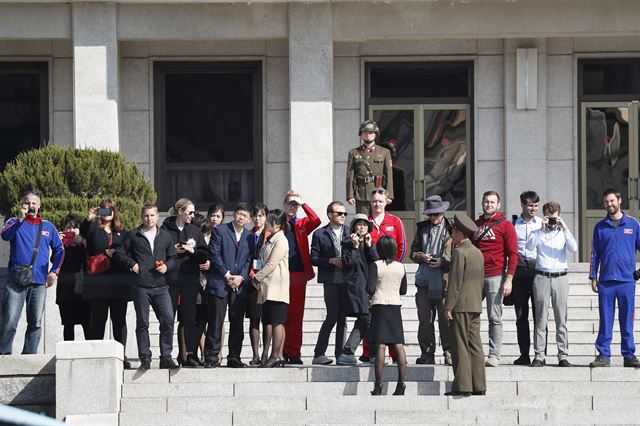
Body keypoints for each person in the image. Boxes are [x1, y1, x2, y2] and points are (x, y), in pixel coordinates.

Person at [115, 203, 177, 370]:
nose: (149, 218)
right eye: (146, 216)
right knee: (142, 323)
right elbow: (119, 253)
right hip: (141, 286)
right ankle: (145, 358)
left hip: (162, 285)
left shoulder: (165, 236)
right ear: (141, 217)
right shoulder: (133, 235)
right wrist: (132, 264)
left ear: (158, 216)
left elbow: (173, 257)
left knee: (168, 320)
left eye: (152, 215)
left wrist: (167, 267)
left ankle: (166, 357)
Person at [0, 190, 64, 355]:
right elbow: (5, 236)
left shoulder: (48, 226)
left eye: (34, 203)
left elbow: (59, 250)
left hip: (39, 282)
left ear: (39, 205)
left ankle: (29, 356)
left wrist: (54, 271)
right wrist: (20, 220)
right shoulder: (14, 222)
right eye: (27, 203)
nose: (31, 206)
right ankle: (3, 354)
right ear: (22, 204)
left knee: (35, 322)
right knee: (10, 321)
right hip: (16, 280)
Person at [588, 188, 640, 368]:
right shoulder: (600, 227)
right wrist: (593, 276)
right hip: (606, 281)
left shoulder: (633, 224)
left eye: (612, 201)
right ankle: (603, 355)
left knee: (627, 320)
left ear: (619, 200)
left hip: (627, 281)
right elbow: (594, 253)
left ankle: (629, 355)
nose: (609, 204)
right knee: (606, 319)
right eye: (606, 202)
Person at [526, 201, 577, 367]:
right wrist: (541, 229)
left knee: (561, 319)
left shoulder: (563, 233)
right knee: (540, 318)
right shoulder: (537, 232)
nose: (552, 222)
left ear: (559, 216)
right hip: (541, 277)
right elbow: (530, 246)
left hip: (560, 277)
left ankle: (563, 355)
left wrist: (565, 228)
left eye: (554, 218)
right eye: (549, 217)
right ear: (544, 216)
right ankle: (539, 355)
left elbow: (574, 248)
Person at [80, 199, 131, 367]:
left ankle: (122, 356)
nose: (106, 213)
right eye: (103, 210)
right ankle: (96, 356)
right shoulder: (94, 228)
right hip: (98, 281)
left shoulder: (122, 232)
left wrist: (116, 253)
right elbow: (84, 232)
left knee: (119, 320)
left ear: (114, 212)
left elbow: (129, 252)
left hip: (117, 281)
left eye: (109, 210)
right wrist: (90, 218)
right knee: (98, 319)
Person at [161, 198, 209, 368]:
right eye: (189, 212)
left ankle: (190, 354)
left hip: (190, 280)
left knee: (189, 318)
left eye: (194, 212)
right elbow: (158, 252)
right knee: (168, 318)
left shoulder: (194, 230)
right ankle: (165, 355)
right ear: (180, 211)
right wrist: (172, 250)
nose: (192, 215)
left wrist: (193, 251)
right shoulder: (165, 229)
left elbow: (204, 255)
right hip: (171, 280)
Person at [361, 187, 406, 362]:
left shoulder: (395, 221)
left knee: (391, 315)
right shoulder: (365, 221)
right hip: (371, 274)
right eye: (374, 201)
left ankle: (395, 354)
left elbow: (402, 245)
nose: (377, 204)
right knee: (369, 315)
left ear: (386, 201)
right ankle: (369, 352)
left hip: (390, 276)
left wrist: (395, 267)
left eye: (380, 201)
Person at [474, 190, 518, 367]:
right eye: (486, 202)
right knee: (471, 315)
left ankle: (494, 355)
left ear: (498, 205)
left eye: (492, 202)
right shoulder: (475, 224)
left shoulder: (506, 225)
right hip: (474, 277)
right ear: (482, 203)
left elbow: (513, 254)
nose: (489, 205)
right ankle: (473, 352)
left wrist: (509, 279)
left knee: (494, 317)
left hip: (495, 275)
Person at [444, 213, 486, 397]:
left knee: (460, 344)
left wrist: (448, 306)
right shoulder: (477, 252)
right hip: (475, 304)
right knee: (475, 345)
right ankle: (479, 385)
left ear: (460, 233)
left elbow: (455, 282)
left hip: (460, 305)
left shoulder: (459, 252)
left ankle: (462, 385)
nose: (452, 235)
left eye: (454, 231)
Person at [206, 203, 252, 368]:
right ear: (234, 214)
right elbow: (214, 254)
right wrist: (227, 275)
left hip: (239, 286)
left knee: (237, 322)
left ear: (248, 220)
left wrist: (241, 277)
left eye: (244, 215)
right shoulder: (220, 230)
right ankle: (211, 357)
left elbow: (249, 260)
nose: (241, 217)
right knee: (216, 322)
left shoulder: (249, 236)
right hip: (220, 282)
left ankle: (234, 357)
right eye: (239, 213)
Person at [410, 195, 453, 365]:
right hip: (424, 281)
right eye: (431, 214)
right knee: (425, 321)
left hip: (444, 281)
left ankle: (449, 352)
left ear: (442, 212)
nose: (434, 217)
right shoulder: (422, 228)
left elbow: (458, 254)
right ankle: (427, 353)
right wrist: (422, 257)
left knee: (446, 321)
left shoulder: (452, 228)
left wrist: (443, 261)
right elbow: (412, 253)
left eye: (437, 214)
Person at [282, 190, 321, 364]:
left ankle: (294, 352)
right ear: (284, 205)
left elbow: (316, 220)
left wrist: (303, 203)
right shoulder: (278, 222)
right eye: (290, 203)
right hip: (280, 274)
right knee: (281, 315)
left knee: (296, 316)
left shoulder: (302, 223)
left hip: (298, 274)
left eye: (295, 205)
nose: (292, 207)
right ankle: (282, 351)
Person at [310, 201, 350, 365]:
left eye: (344, 214)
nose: (343, 216)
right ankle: (319, 353)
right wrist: (330, 261)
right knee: (332, 316)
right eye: (339, 213)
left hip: (347, 281)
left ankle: (341, 354)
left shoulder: (349, 231)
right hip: (331, 280)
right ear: (330, 214)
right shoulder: (320, 233)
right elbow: (313, 258)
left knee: (343, 318)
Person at [336, 213, 378, 365]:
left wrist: (369, 245)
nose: (362, 227)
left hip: (368, 285)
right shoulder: (347, 242)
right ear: (354, 226)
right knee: (366, 318)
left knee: (365, 319)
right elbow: (348, 263)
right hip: (356, 287)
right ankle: (367, 354)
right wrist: (354, 246)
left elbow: (376, 261)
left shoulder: (368, 242)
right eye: (359, 224)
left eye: (365, 224)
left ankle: (350, 352)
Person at [368, 236, 407, 396]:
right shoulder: (401, 267)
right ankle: (401, 383)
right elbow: (403, 290)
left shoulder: (376, 265)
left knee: (381, 345)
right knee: (398, 345)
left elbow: (370, 288)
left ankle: (378, 385)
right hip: (395, 305)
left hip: (380, 305)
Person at [252, 209, 289, 368]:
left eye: (269, 221)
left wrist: (256, 277)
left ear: (277, 224)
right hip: (268, 286)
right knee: (272, 321)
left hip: (276, 286)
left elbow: (272, 263)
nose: (266, 223)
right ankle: (276, 355)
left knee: (277, 322)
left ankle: (276, 355)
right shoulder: (270, 239)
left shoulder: (281, 240)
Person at [510, 190, 543, 366]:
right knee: (521, 315)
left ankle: (540, 354)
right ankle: (524, 354)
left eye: (536, 205)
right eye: (530, 205)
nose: (533, 209)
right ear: (523, 205)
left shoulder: (542, 223)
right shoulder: (513, 224)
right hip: (520, 271)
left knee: (540, 315)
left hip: (538, 271)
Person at [346, 120, 394, 214]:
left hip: (378, 192)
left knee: (377, 220)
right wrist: (350, 195)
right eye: (365, 132)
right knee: (363, 222)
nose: (368, 134)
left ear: (375, 134)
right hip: (361, 193)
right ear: (361, 134)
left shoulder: (384, 152)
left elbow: (389, 174)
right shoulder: (354, 152)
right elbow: (350, 175)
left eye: (371, 132)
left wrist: (389, 195)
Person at [56, 214, 90, 341]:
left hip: (83, 289)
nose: (70, 231)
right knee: (68, 326)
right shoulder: (61, 245)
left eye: (74, 228)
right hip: (65, 290)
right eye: (68, 228)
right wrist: (58, 244)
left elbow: (86, 259)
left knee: (87, 325)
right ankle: (67, 356)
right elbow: (55, 260)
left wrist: (79, 240)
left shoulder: (84, 242)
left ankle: (90, 354)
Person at [247, 203, 269, 365]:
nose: (257, 218)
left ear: (266, 217)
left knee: (267, 319)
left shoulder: (271, 235)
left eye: (261, 215)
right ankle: (255, 354)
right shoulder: (249, 235)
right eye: (255, 215)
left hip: (268, 282)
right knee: (254, 319)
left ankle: (265, 354)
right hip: (251, 281)